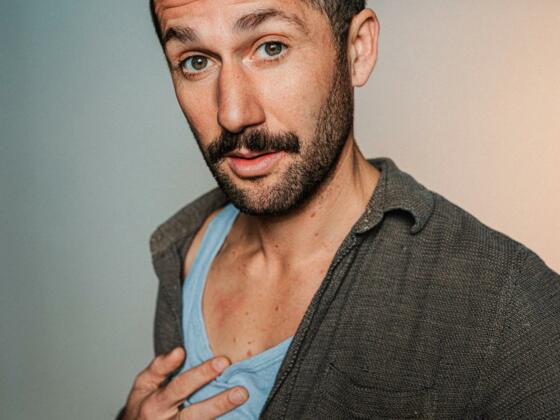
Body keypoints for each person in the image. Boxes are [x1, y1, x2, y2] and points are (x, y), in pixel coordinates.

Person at [119, 0, 560, 418]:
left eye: (271, 48)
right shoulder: (186, 250)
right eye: (196, 61)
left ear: (357, 50)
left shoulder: (504, 303)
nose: (233, 114)